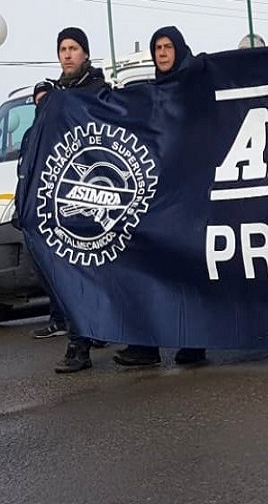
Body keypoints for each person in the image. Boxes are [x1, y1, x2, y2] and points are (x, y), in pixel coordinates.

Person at [113, 27, 207, 368]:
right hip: (156, 198)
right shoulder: (149, 95)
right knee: (146, 269)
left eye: (168, 47)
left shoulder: (197, 85)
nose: (162, 53)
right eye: (157, 47)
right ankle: (145, 345)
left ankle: (194, 341)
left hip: (192, 196)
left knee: (188, 271)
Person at [29, 28, 109, 373]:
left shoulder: (100, 93)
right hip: (65, 200)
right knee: (72, 274)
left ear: (86, 54)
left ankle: (115, 334)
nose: (67, 54)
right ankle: (79, 347)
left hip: (102, 197)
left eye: (73, 48)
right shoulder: (55, 97)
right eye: (62, 48)